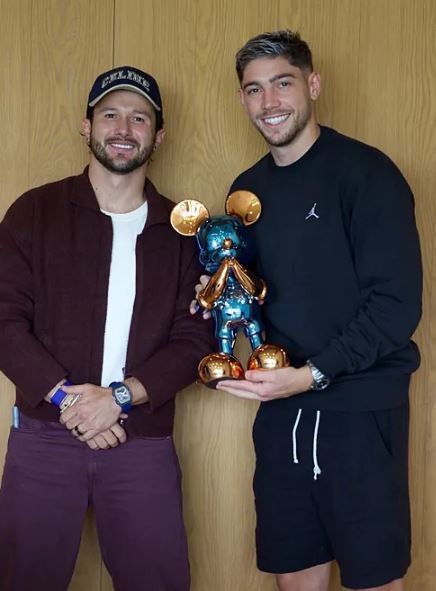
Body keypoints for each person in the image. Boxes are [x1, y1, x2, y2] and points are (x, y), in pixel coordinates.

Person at [198, 30, 422, 591]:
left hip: (361, 414)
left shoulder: (368, 174)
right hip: (282, 416)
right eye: (254, 89)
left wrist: (313, 375)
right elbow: (258, 293)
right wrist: (221, 293)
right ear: (243, 99)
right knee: (296, 579)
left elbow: (396, 307)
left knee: (375, 581)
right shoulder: (246, 192)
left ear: (313, 84)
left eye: (283, 83)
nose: (269, 102)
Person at [0, 65, 214, 591]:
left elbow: (196, 339)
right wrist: (70, 401)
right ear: (86, 125)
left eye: (139, 117)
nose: (124, 128)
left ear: (158, 134)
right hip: (44, 438)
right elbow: (4, 319)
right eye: (111, 114)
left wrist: (118, 398)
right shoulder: (35, 212)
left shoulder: (184, 231)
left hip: (140, 440)